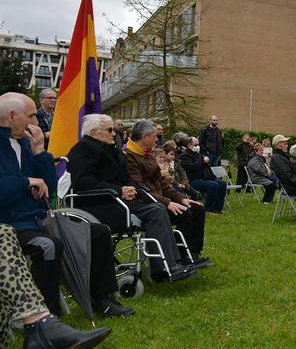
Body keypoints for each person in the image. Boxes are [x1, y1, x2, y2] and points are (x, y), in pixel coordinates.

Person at [0, 94, 134, 317]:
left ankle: (102, 298)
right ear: (13, 116)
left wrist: (40, 151)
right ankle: (47, 317)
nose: (36, 122)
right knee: (48, 245)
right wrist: (26, 182)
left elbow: (49, 188)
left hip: (39, 219)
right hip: (10, 224)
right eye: (32, 115)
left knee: (99, 233)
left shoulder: (26, 143)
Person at [68, 114, 194, 281]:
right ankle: (164, 266)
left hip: (118, 199)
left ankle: (171, 262)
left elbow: (127, 177)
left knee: (157, 207)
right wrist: (119, 190)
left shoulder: (111, 149)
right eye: (110, 130)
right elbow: (83, 181)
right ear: (94, 132)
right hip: (97, 203)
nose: (114, 133)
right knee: (155, 210)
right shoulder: (82, 150)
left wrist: (130, 188)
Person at [0, 224, 112, 349]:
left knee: (100, 231)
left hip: (40, 224)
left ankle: (43, 323)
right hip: (22, 225)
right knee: (48, 245)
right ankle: (44, 323)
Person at [126, 119, 211, 269]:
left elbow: (162, 183)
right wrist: (168, 202)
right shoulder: (129, 156)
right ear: (145, 137)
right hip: (147, 203)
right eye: (154, 136)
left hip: (158, 199)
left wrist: (181, 199)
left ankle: (192, 254)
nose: (157, 139)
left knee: (196, 209)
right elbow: (140, 189)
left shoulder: (146, 154)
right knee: (185, 214)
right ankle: (179, 259)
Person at [180, 137, 227, 213]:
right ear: (189, 145)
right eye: (196, 145)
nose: (198, 147)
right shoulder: (185, 156)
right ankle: (208, 209)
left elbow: (204, 167)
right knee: (213, 185)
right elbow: (192, 167)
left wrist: (205, 162)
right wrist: (202, 160)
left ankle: (218, 208)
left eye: (198, 145)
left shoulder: (198, 154)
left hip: (204, 178)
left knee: (222, 184)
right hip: (193, 180)